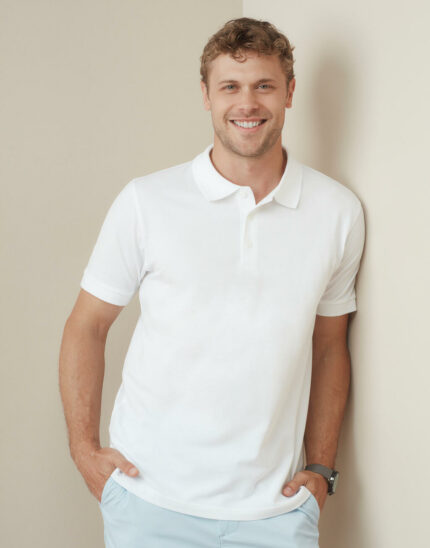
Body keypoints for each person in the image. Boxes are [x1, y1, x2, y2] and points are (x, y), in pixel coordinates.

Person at [59, 16, 365, 548]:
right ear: (205, 95)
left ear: (290, 92)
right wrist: (84, 452)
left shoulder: (338, 212)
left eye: (264, 85)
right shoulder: (147, 201)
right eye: (230, 87)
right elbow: (87, 326)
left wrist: (322, 468)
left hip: (277, 513)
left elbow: (329, 346)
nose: (247, 103)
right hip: (148, 502)